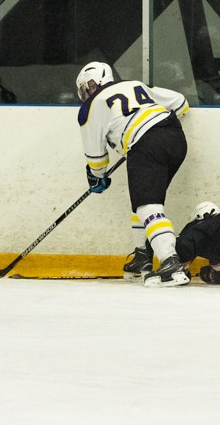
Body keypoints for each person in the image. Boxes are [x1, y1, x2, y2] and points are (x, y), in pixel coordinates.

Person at [75, 60, 191, 286]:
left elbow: (96, 159)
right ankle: (142, 255)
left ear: (93, 83)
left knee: (148, 205)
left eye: (85, 88)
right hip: (175, 137)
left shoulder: (90, 108)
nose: (84, 93)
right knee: (143, 199)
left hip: (145, 145)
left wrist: (97, 177)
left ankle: (170, 262)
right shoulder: (134, 85)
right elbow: (180, 103)